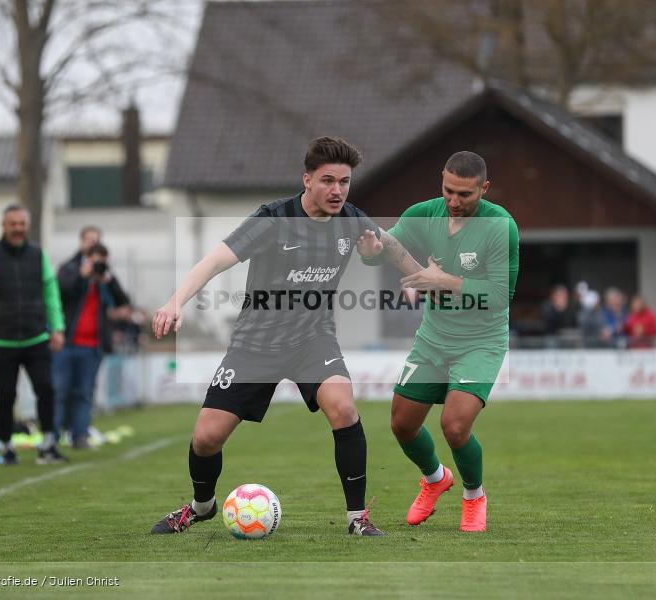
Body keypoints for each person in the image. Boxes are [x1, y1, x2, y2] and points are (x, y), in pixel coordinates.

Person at [149, 137, 420, 537]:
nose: (337, 191)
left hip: (314, 341)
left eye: (344, 182)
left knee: (344, 409)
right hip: (254, 346)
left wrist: (414, 275)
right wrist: (176, 301)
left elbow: (389, 246)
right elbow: (215, 260)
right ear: (306, 180)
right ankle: (202, 505)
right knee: (206, 438)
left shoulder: (352, 219)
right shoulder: (272, 219)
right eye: (328, 180)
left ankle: (357, 518)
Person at [361, 151, 519, 532]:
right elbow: (386, 250)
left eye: (464, 194)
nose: (453, 201)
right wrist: (370, 251)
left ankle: (473, 496)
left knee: (454, 425)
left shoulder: (501, 226)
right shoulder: (424, 213)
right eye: (448, 190)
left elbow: (500, 295)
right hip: (433, 339)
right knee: (402, 424)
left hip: (480, 342)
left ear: (484, 188)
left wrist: (442, 281)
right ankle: (435, 479)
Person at [0, 204, 67, 465]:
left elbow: (51, 293)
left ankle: (49, 443)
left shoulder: (38, 255)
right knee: (6, 394)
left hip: (36, 337)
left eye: (22, 223)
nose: (17, 228)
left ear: (27, 226)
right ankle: (7, 446)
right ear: (3, 226)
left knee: (46, 389)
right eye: (12, 224)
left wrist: (58, 327)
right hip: (0, 339)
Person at [55, 241, 129, 448]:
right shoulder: (69, 270)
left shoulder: (104, 280)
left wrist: (108, 280)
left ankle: (80, 436)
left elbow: (123, 301)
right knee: (59, 390)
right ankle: (52, 435)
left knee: (85, 392)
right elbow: (62, 291)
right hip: (66, 343)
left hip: (92, 346)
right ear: (86, 258)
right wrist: (83, 275)